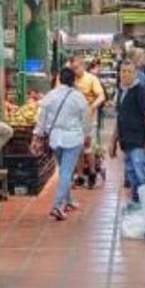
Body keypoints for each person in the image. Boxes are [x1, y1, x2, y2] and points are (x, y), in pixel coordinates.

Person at [32, 68, 91, 220]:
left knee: (64, 170)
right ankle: (57, 206)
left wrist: (37, 136)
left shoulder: (50, 95)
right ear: (74, 80)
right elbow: (85, 119)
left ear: (59, 79)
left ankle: (68, 201)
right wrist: (87, 135)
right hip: (73, 139)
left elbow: (42, 118)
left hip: (55, 139)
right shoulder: (79, 97)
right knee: (66, 172)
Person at [111, 50, 145, 210]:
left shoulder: (141, 91)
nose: (125, 74)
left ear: (135, 73)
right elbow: (119, 118)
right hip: (127, 142)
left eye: (129, 71)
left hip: (139, 141)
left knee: (141, 174)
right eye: (123, 71)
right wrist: (113, 142)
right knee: (132, 175)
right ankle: (138, 205)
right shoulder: (122, 92)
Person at [73, 59, 107, 188]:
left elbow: (101, 96)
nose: (75, 71)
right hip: (75, 120)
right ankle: (80, 175)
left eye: (76, 68)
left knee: (89, 148)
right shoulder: (72, 80)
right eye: (73, 68)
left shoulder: (91, 79)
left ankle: (92, 173)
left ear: (82, 66)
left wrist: (92, 107)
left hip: (89, 120)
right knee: (78, 148)